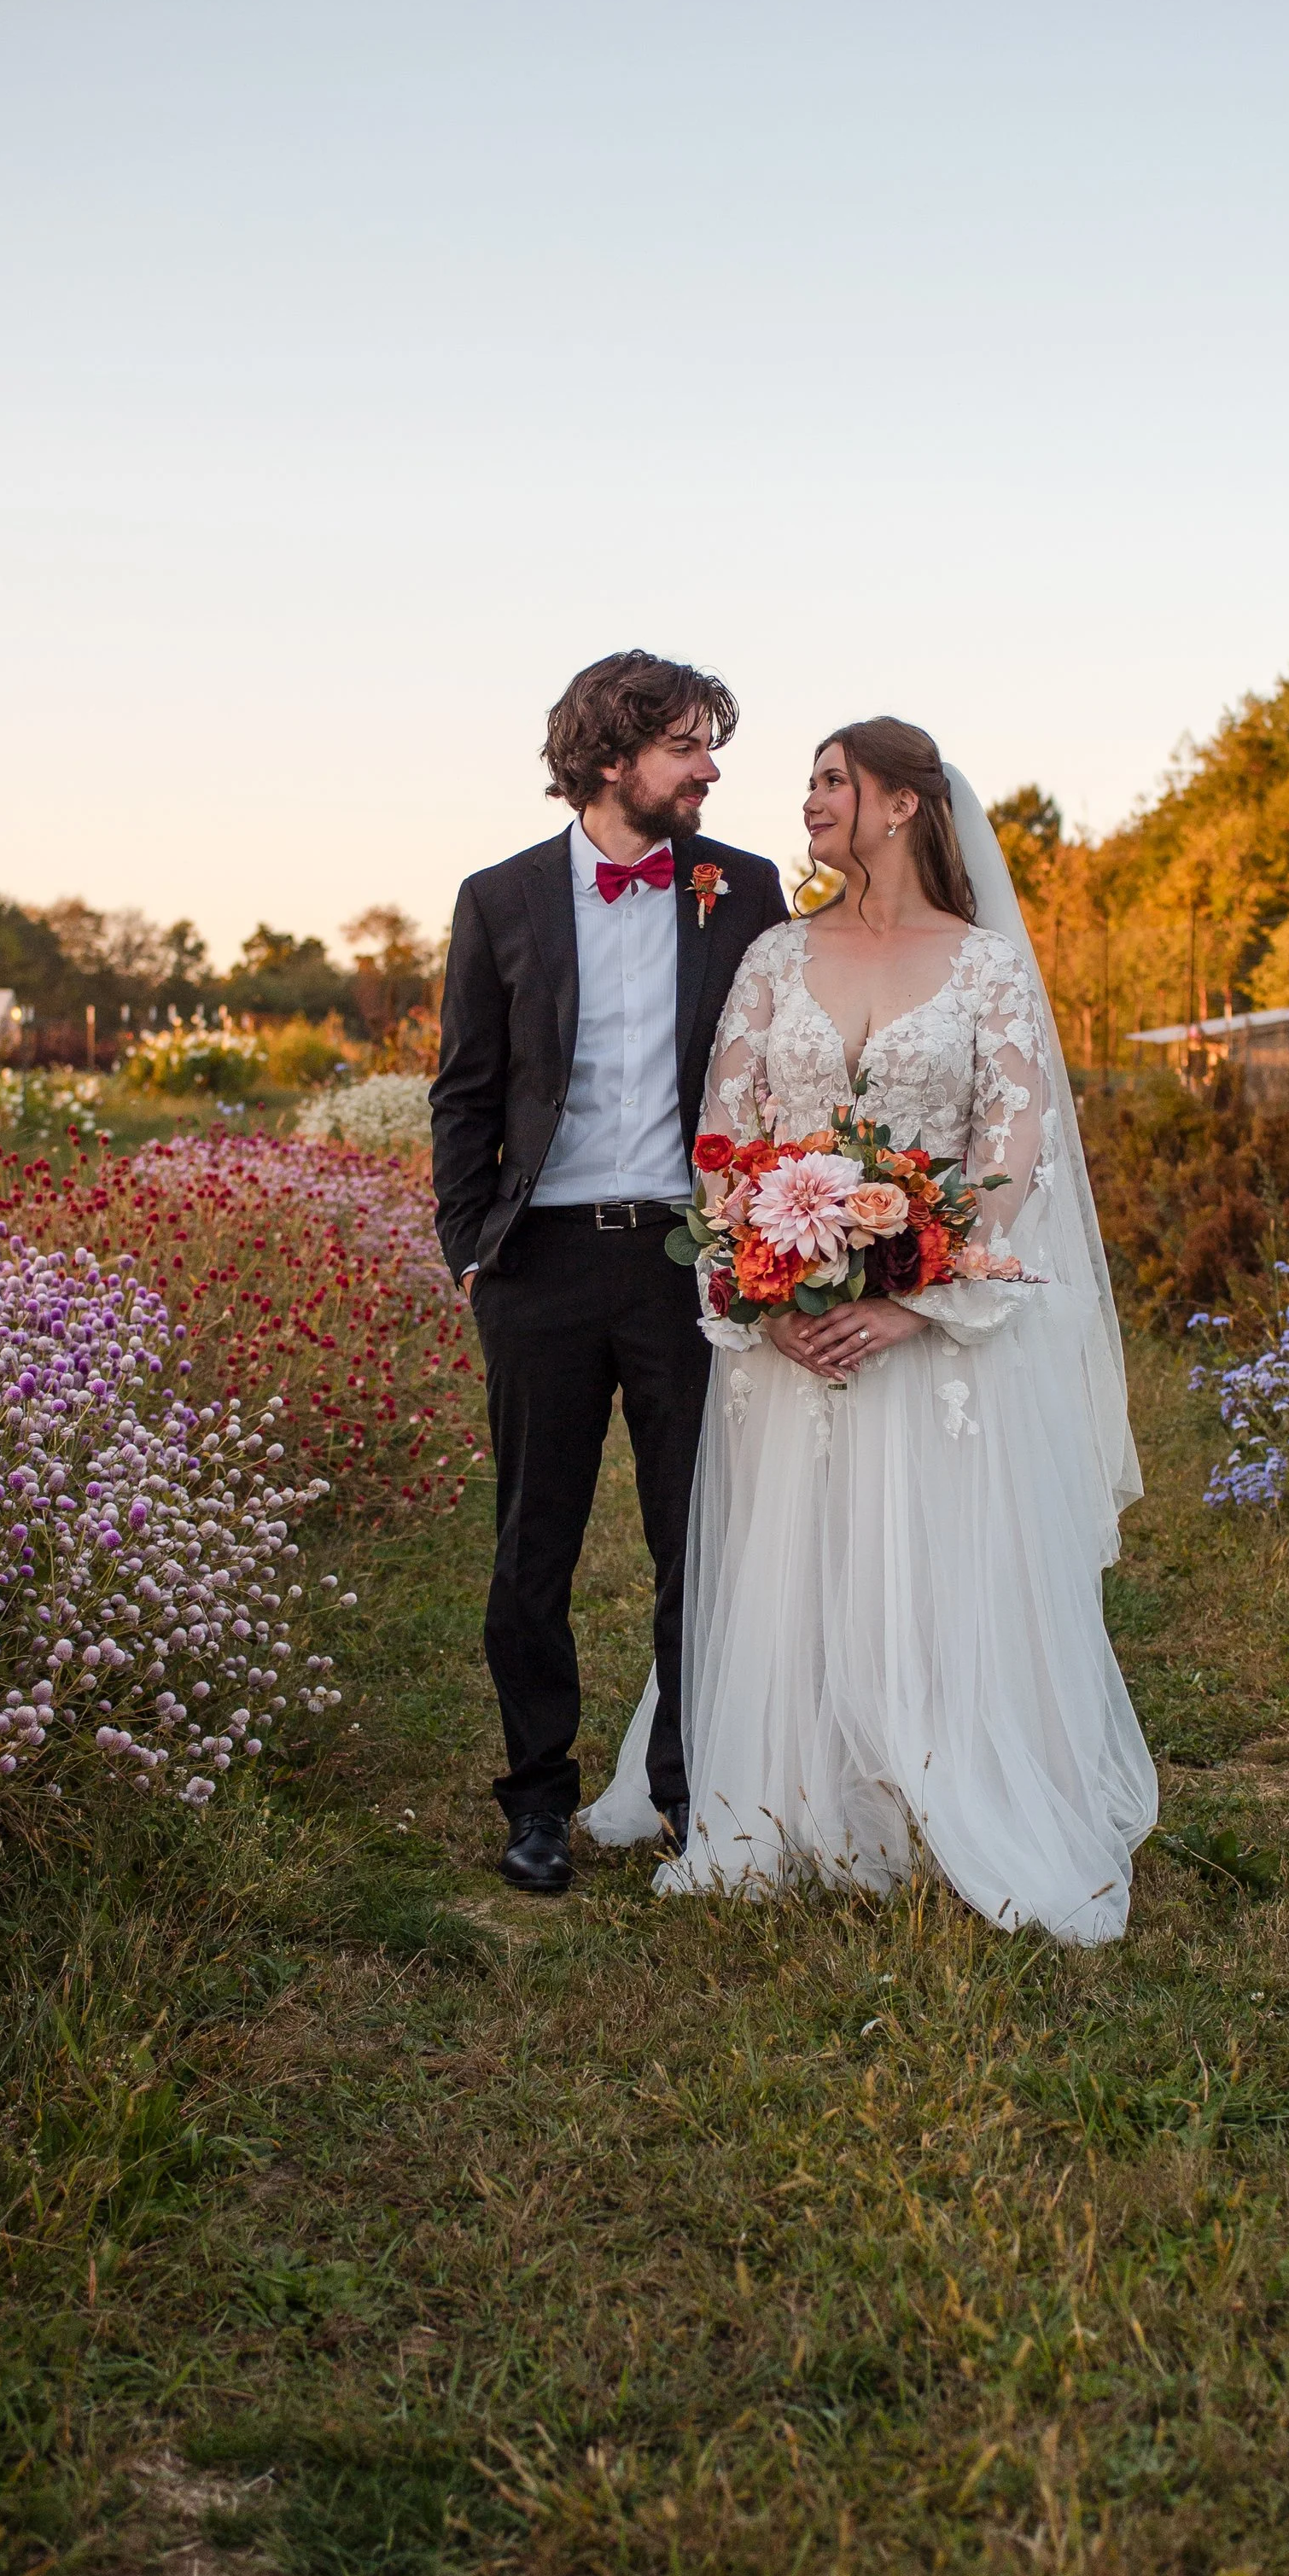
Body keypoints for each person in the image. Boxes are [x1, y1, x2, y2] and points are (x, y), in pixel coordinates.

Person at [584, 719, 1157, 1942]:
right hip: (791, 1335)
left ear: (905, 803)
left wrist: (914, 1295)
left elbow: (1012, 1157)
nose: (809, 800)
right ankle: (789, 1793)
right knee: (796, 1561)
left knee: (928, 1558)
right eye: (809, 783)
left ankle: (940, 1781)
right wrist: (764, 1285)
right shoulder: (774, 959)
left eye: (833, 780)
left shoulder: (986, 968)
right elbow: (725, 1137)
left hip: (921, 1332)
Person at [430, 652, 786, 1893]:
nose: (711, 768)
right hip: (539, 1269)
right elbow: (465, 1089)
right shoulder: (500, 899)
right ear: (609, 758)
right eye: (688, 745)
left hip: (689, 1265)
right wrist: (470, 1249)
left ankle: (689, 1788)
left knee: (703, 1533)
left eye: (708, 746)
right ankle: (536, 1801)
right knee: (536, 1543)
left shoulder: (745, 888)